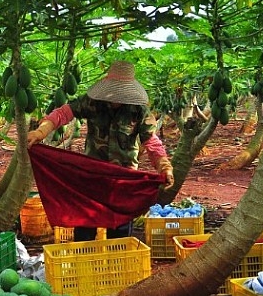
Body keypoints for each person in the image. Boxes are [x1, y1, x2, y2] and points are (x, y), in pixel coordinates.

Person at [27, 60, 174, 241]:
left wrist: (164, 166)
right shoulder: (93, 103)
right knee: (85, 228)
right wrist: (41, 131)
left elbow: (151, 141)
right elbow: (64, 112)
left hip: (122, 178)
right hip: (93, 176)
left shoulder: (139, 110)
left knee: (119, 234)